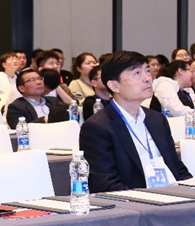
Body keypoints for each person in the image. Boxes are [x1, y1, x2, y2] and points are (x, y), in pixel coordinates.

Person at [80, 51, 192, 192]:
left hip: (172, 196)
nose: (147, 78)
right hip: (136, 201)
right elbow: (105, 185)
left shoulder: (157, 120)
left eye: (147, 71)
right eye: (137, 73)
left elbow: (178, 169)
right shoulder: (98, 127)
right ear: (114, 86)